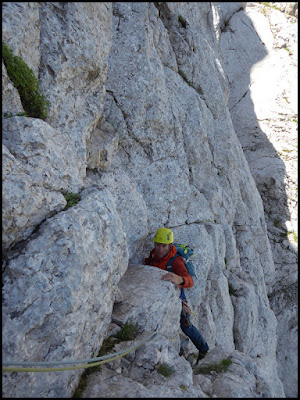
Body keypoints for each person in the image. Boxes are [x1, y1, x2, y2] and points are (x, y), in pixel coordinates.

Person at [145, 227, 209, 363]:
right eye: (157, 245)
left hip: (177, 298)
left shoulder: (176, 261)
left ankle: (204, 349)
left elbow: (190, 281)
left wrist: (178, 278)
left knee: (186, 326)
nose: (160, 249)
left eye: (163, 246)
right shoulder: (153, 255)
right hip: (158, 296)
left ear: (169, 246)